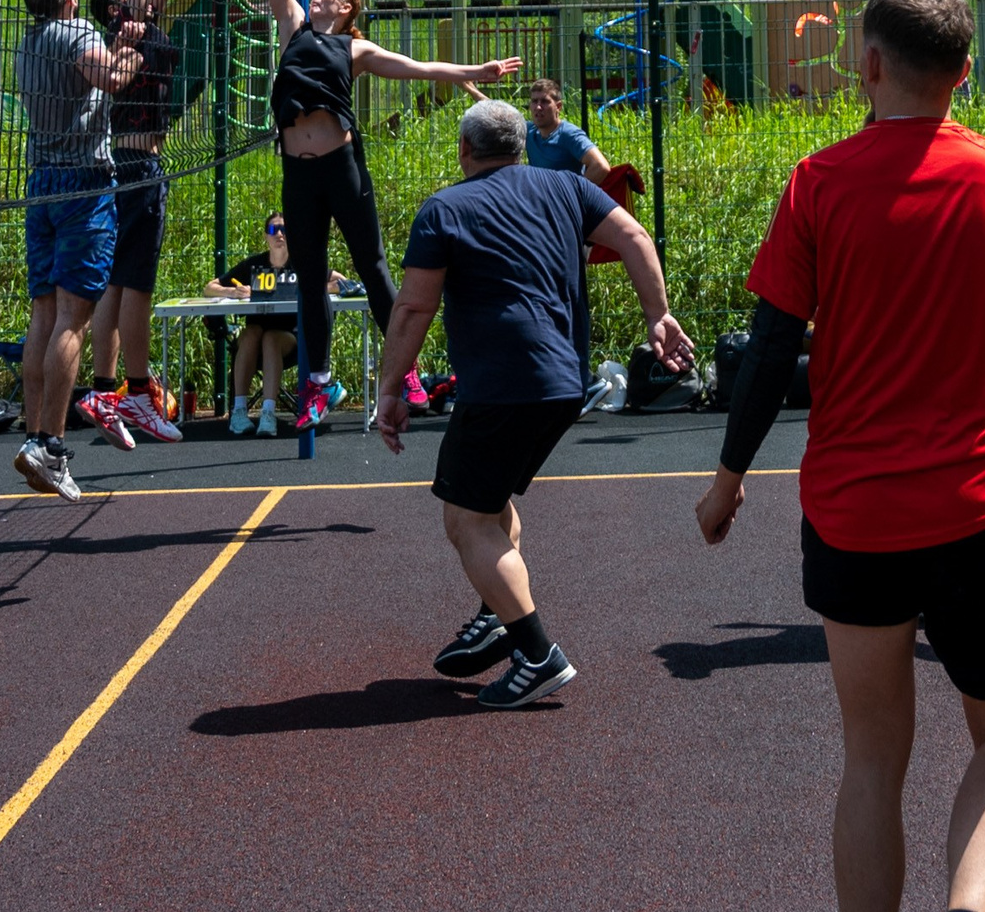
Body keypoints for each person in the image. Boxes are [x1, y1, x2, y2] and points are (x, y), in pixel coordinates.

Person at [696, 0, 985, 912]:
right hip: (981, 504)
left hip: (854, 512)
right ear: (966, 70)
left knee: (870, 758)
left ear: (867, 63)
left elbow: (769, 349)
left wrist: (729, 476)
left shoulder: (818, 182)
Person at [375, 98, 691, 710]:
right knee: (491, 502)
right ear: (521, 148)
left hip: (504, 384)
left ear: (465, 151)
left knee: (466, 520)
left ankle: (537, 653)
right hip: (564, 383)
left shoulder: (445, 207)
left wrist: (392, 388)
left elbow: (413, 306)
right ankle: (496, 613)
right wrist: (659, 314)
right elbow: (633, 234)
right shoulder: (567, 189)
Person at [225, 0, 519, 433]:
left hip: (342, 169)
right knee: (311, 279)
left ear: (346, 8)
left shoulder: (354, 49)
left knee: (373, 267)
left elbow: (419, 68)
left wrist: (476, 72)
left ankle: (405, 370)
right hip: (298, 174)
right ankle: (317, 384)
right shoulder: (292, 27)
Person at [12, 0, 145, 501]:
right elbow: (110, 79)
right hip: (82, 186)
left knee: (44, 315)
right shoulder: (76, 32)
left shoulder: (29, 42)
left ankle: (33, 439)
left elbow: (84, 73)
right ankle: (51, 445)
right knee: (72, 318)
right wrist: (132, 52)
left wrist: (114, 46)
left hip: (41, 184)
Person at [85, 0, 206, 443]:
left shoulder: (140, 24)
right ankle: (135, 393)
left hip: (124, 167)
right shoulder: (126, 29)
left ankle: (104, 390)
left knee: (115, 284)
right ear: (117, 6)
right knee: (134, 286)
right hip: (135, 167)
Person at [206, 213, 299, 436]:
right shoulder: (254, 264)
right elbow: (209, 288)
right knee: (251, 333)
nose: (279, 234)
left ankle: (268, 413)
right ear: (266, 236)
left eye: (284, 230)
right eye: (273, 230)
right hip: (254, 338)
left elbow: (337, 279)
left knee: (271, 338)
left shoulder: (300, 264)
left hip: (289, 337)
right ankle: (238, 412)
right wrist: (233, 291)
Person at [523, 77, 613, 185]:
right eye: (534, 101)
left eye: (545, 101)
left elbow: (600, 166)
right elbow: (504, 120)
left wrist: (575, 192)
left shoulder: (569, 134)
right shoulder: (529, 131)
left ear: (558, 106)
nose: (538, 107)